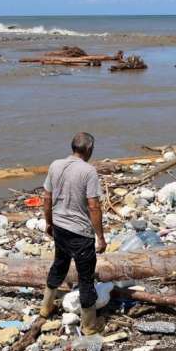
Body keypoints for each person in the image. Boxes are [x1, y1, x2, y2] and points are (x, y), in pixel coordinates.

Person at [39, 132, 107, 335]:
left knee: (59, 265)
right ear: (89, 149)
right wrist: (100, 237)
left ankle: (46, 306)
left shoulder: (55, 165)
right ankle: (89, 325)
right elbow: (94, 207)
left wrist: (49, 223)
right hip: (80, 233)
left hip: (59, 227)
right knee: (86, 278)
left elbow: (47, 198)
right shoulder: (89, 171)